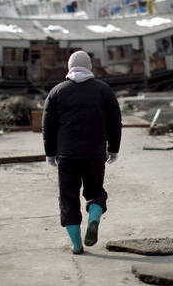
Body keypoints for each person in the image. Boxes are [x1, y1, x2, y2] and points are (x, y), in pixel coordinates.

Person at [43, 50, 121, 254]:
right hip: (95, 154)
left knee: (68, 199)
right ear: (90, 67)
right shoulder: (103, 90)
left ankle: (76, 245)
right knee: (95, 191)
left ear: (69, 68)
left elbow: (48, 126)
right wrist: (113, 149)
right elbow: (115, 122)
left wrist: (49, 153)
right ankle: (93, 219)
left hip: (67, 155)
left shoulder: (57, 92)